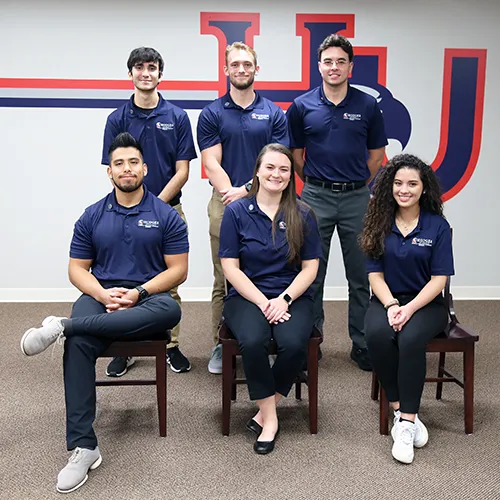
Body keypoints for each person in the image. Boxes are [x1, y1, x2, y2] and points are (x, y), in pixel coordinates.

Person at [20, 133, 189, 493]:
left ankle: (63, 326)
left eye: (132, 162)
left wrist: (139, 292)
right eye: (118, 164)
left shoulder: (166, 215)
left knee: (170, 310)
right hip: (102, 295)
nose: (126, 169)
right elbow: (77, 269)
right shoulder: (92, 215)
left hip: (147, 298)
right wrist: (102, 293)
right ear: (109, 172)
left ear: (144, 168)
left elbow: (178, 270)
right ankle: (84, 447)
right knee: (80, 343)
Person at [287, 34, 388, 371]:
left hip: (357, 198)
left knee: (361, 275)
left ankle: (361, 344)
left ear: (350, 67)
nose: (334, 67)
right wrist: (318, 180)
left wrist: (356, 182)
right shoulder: (302, 107)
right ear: (319, 66)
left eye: (340, 61)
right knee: (312, 274)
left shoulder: (367, 106)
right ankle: (309, 342)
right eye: (328, 61)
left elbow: (377, 157)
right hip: (314, 197)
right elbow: (295, 156)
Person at [219, 143, 321, 454]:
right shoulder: (236, 212)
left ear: (291, 176)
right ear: (258, 172)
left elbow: (310, 268)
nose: (276, 174)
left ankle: (264, 410)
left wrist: (284, 299)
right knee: (253, 341)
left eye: (284, 169)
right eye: (270, 168)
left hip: (292, 296)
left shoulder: (304, 213)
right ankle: (272, 420)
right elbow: (230, 267)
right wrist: (265, 302)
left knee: (293, 344)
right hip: (247, 296)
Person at [102, 47, 196, 374]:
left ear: (160, 74)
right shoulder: (116, 119)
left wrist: (154, 207)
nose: (146, 73)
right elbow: (114, 169)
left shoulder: (177, 117)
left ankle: (170, 345)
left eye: (152, 67)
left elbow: (182, 170)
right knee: (124, 277)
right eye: (139, 67)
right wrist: (138, 205)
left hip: (169, 211)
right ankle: (124, 347)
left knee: (170, 283)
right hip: (123, 212)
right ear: (130, 74)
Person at [197, 42, 289, 374]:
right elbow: (211, 161)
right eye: (234, 64)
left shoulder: (275, 113)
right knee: (225, 276)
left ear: (256, 69)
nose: (241, 69)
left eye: (247, 64)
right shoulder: (212, 114)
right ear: (226, 70)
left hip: (270, 204)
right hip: (225, 204)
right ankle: (222, 345)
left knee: (269, 273)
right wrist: (234, 194)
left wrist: (250, 190)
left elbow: (279, 162)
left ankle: (268, 340)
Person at [360, 154, 454, 464]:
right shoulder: (377, 221)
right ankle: (402, 412)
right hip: (388, 299)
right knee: (374, 335)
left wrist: (409, 308)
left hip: (427, 303)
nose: (405, 189)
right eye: (398, 183)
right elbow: (374, 275)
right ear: (389, 187)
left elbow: (439, 279)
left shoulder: (437, 226)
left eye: (412, 184)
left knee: (410, 339)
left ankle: (407, 423)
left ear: (424, 188)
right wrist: (391, 305)